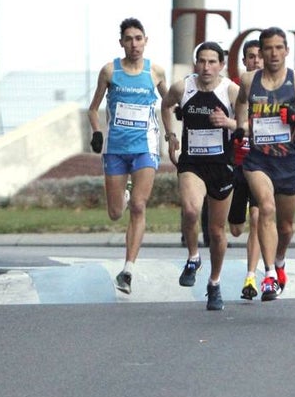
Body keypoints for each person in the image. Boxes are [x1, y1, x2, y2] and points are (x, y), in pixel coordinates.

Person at [233, 27, 295, 301]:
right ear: (261, 53)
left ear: (287, 50)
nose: (273, 53)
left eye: (278, 48)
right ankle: (270, 275)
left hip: (287, 160)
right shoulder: (250, 80)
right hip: (257, 159)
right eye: (268, 48)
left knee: (286, 227)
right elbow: (241, 103)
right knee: (265, 207)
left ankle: (281, 259)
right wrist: (241, 126)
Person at [87, 17, 168, 295]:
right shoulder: (110, 71)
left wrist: (172, 132)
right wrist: (97, 132)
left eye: (139, 38)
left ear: (146, 40)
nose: (134, 44)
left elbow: (167, 104)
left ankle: (128, 269)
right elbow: (92, 108)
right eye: (129, 39)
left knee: (139, 205)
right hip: (116, 150)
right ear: (121, 42)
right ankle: (122, 195)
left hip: (145, 148)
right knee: (114, 213)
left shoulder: (155, 72)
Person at [160, 41, 239, 311]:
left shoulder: (230, 91)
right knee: (191, 211)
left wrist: (228, 123)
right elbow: (165, 105)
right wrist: (170, 136)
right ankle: (193, 257)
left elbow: (248, 125)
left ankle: (214, 283)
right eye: (202, 61)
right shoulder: (184, 87)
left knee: (217, 232)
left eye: (212, 62)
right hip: (192, 162)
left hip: (221, 165)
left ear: (221, 65)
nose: (206, 67)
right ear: (196, 64)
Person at [228, 39, 263, 299]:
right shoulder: (234, 93)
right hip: (237, 165)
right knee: (237, 228)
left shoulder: (273, 93)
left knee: (257, 218)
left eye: (260, 56)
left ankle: (251, 277)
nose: (257, 61)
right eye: (251, 57)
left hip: (262, 165)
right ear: (244, 62)